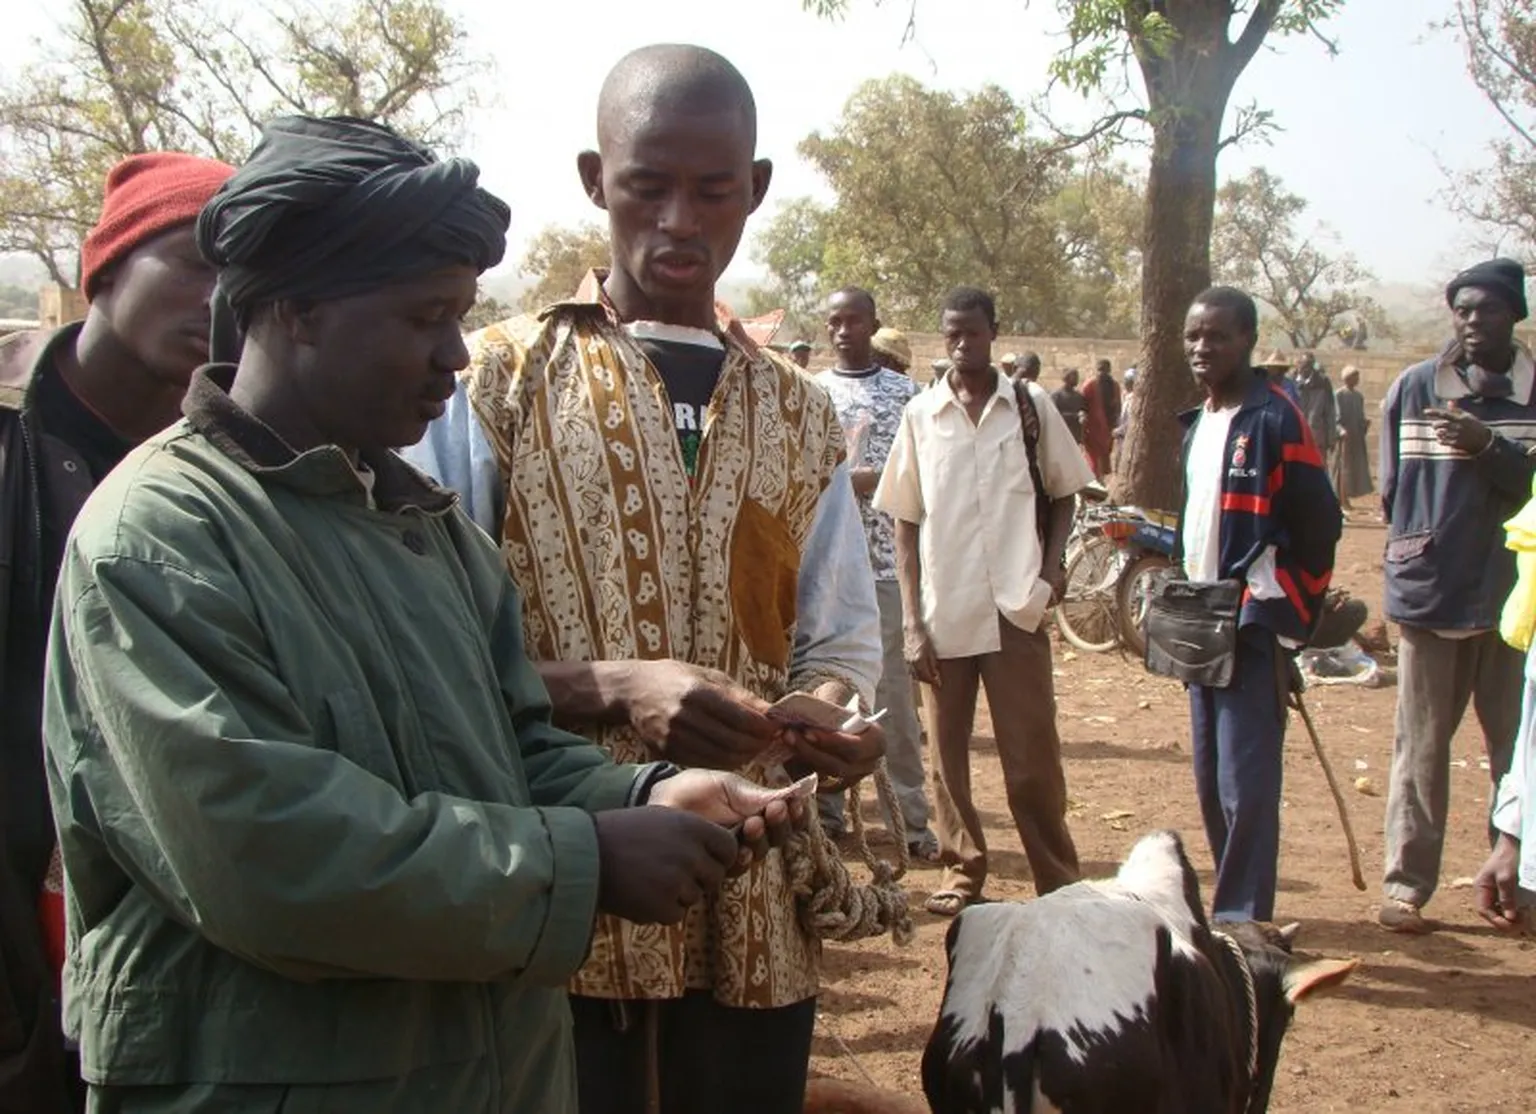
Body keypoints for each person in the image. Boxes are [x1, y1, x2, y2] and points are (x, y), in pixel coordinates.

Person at [44, 114, 806, 1114]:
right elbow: (266, 855)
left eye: (461, 315)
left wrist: (646, 797)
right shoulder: (159, 539)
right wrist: (584, 862)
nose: (455, 356)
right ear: (301, 308)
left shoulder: (424, 529)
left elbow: (511, 749)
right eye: (424, 317)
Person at [402, 46, 884, 1114]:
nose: (679, 221)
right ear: (592, 180)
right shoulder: (493, 381)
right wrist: (612, 687)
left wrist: (830, 716)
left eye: (714, 191)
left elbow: (839, 640)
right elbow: (420, 643)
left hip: (752, 893)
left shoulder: (799, 412)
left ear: (755, 191)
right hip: (558, 883)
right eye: (646, 186)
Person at [0, 150, 234, 1114]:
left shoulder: (227, 473)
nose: (216, 298)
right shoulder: (13, 430)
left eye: (239, 273)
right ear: (106, 266)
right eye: (190, 259)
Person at [875, 286, 1090, 917]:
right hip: (945, 614)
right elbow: (905, 520)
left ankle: (1058, 879)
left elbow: (1064, 492)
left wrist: (1048, 579)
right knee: (947, 758)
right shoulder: (923, 414)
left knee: (1032, 759)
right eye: (951, 334)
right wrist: (913, 622)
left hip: (1015, 609)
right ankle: (962, 871)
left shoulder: (1028, 406)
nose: (962, 343)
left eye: (972, 331)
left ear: (994, 331)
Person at [1378, 258, 1536, 934]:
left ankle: (1521, 883)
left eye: (1488, 310)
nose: (1473, 322)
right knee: (1420, 751)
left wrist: (1490, 448)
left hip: (1513, 606)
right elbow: (1392, 492)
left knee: (1518, 751)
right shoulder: (1415, 389)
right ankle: (1407, 887)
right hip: (1431, 595)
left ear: (1514, 317)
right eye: (1463, 310)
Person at [1176, 286, 1341, 923]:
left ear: (1247, 340)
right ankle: (1233, 909)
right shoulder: (1200, 423)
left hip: (1251, 622)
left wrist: (1284, 607)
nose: (1201, 347)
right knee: (1211, 777)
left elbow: (1320, 519)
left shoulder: (1275, 417)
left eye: (1216, 336)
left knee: (1247, 783)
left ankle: (1244, 922)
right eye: (1193, 335)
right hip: (1200, 621)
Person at [814, 287, 938, 862]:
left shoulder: (907, 396)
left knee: (894, 697)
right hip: (826, 566)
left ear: (873, 325)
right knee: (826, 691)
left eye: (854, 321)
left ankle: (911, 820)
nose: (843, 331)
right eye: (835, 322)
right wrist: (843, 482)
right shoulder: (811, 393)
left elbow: (920, 476)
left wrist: (873, 483)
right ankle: (826, 812)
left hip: (886, 565)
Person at [1332, 365, 1373, 513]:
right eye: (1354, 376)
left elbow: (1360, 417)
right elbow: (1335, 418)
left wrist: (1364, 424)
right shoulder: (1338, 395)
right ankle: (1339, 499)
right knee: (1340, 470)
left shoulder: (1358, 396)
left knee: (1352, 470)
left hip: (1355, 439)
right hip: (1343, 440)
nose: (1357, 380)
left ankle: (1346, 498)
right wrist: (1340, 430)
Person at [1294, 353, 1338, 471]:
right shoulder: (1292, 383)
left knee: (1318, 470)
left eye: (1308, 366)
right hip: (1295, 437)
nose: (1304, 369)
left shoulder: (1323, 383)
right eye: (1302, 365)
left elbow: (1330, 412)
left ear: (1312, 367)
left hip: (1317, 437)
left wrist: (1331, 437)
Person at [1082, 357, 1122, 478]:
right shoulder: (1090, 386)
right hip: (1093, 428)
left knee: (1103, 458)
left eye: (1104, 370)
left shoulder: (1114, 386)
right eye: (1100, 370)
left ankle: (1100, 483)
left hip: (1106, 428)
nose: (1102, 373)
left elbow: (1118, 406)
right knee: (1094, 459)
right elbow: (1083, 407)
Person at [1051, 367, 1087, 445]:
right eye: (1074, 376)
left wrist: (1083, 414)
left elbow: (1083, 410)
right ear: (1066, 378)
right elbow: (1056, 415)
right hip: (1062, 434)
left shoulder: (1079, 396)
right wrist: (1076, 416)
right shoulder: (1057, 395)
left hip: (1075, 436)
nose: (1077, 379)